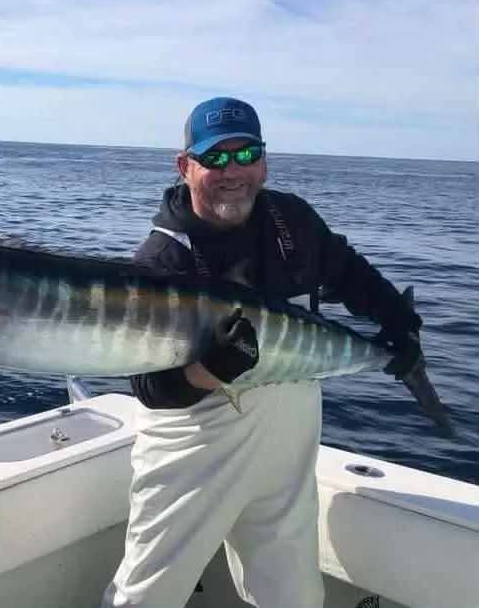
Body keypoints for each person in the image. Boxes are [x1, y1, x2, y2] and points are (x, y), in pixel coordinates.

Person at [100, 97, 423, 608]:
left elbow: (346, 270)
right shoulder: (162, 259)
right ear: (185, 167)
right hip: (196, 447)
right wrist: (211, 369)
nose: (233, 172)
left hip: (290, 435)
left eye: (246, 154)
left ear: (264, 161)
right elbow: (149, 390)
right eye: (216, 158)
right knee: (149, 592)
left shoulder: (291, 219)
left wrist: (398, 322)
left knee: (291, 594)